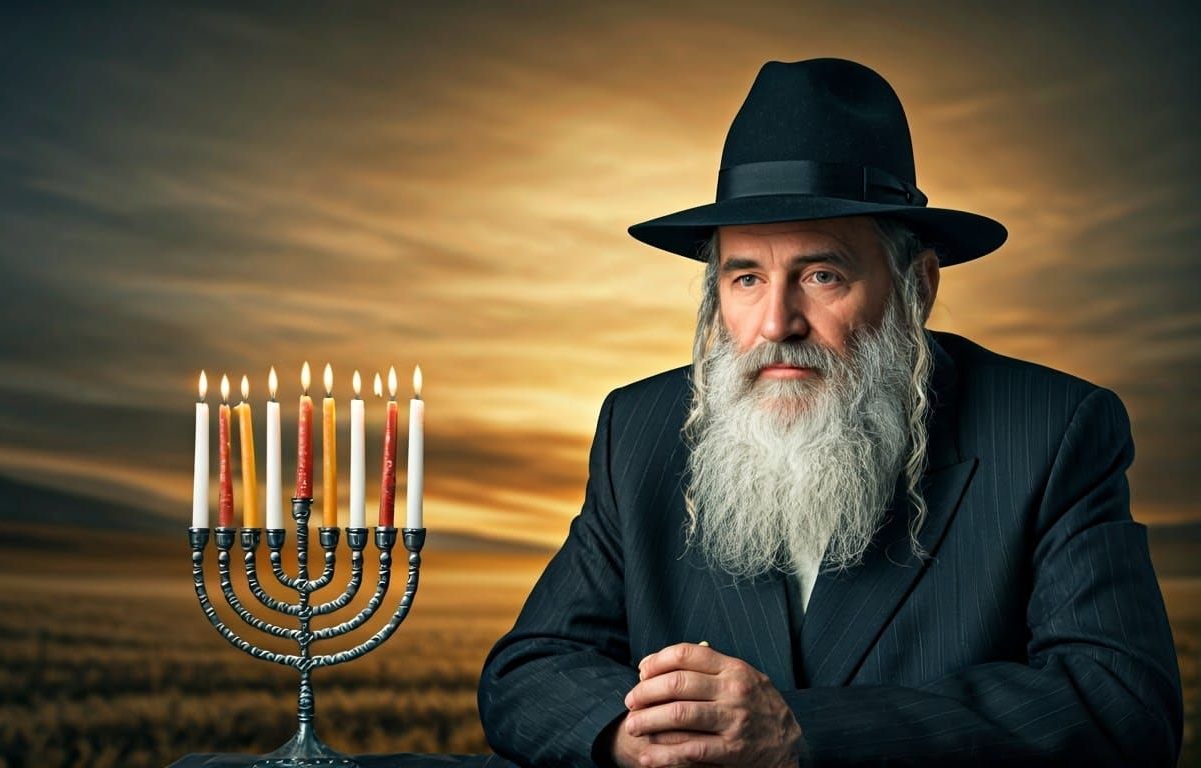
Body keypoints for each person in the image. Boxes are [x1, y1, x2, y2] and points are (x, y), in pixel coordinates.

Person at [476, 58, 1183, 768]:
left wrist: (806, 734)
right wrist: (629, 737)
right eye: (746, 277)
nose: (777, 322)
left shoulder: (1054, 429)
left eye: (822, 275)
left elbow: (1119, 706)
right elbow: (531, 669)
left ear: (917, 287)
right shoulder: (640, 429)